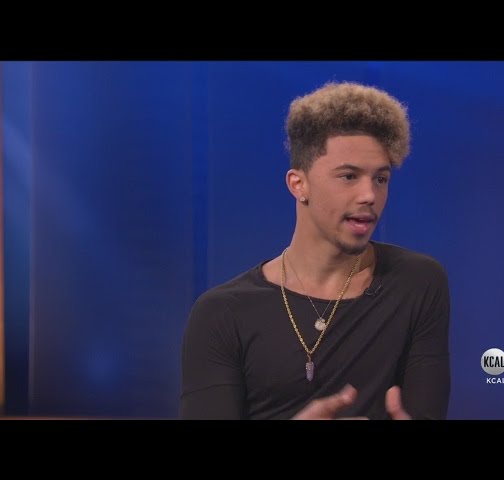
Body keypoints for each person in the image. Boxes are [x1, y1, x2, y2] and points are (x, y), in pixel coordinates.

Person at [180, 81, 451, 420]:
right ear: (299, 184)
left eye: (381, 179)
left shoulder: (417, 283)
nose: (369, 195)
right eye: (349, 176)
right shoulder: (222, 314)